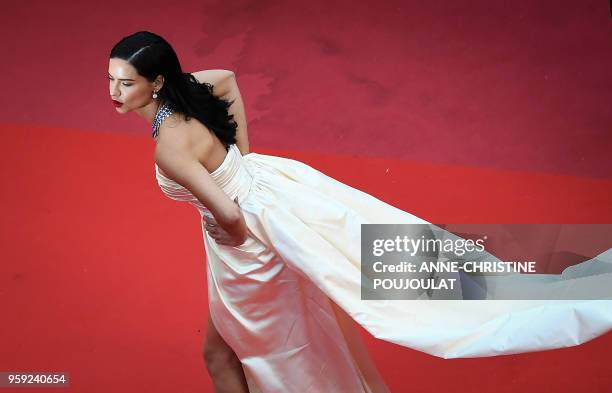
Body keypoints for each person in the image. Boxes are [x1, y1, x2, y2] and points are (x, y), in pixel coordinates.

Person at [109, 31, 612, 393]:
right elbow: (228, 80)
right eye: (111, 79)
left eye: (125, 83)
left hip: (250, 249)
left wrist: (226, 224)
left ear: (155, 83)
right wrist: (245, 159)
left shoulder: (169, 148)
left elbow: (232, 218)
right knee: (231, 349)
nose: (113, 92)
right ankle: (588, 283)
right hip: (279, 196)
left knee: (252, 353)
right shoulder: (189, 89)